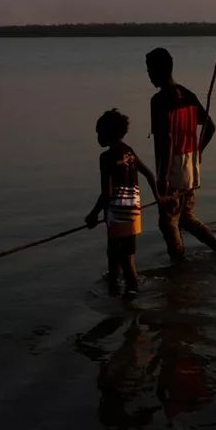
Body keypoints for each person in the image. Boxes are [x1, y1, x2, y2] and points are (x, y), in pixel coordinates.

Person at [145, 47, 216, 261]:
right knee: (186, 218)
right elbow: (210, 126)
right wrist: (198, 153)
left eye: (150, 71)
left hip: (171, 171)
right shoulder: (188, 95)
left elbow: (166, 140)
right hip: (190, 169)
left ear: (160, 70)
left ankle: (179, 266)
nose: (149, 76)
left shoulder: (159, 101)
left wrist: (163, 178)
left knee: (168, 222)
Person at [85, 108, 162, 297]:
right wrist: (159, 199)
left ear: (109, 133)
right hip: (134, 210)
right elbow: (149, 175)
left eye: (99, 133)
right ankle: (127, 290)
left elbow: (107, 193)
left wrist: (93, 214)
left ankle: (123, 291)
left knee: (115, 254)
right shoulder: (130, 152)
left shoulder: (106, 157)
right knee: (127, 255)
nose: (97, 137)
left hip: (117, 213)